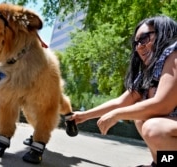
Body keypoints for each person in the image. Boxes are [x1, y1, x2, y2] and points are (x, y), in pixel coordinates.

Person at [69, 15, 177, 167]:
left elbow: (163, 105)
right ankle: (159, 163)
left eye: (145, 38)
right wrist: (83, 116)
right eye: (137, 42)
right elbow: (121, 102)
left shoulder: (174, 55)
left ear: (163, 33)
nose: (139, 46)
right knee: (140, 116)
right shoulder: (150, 71)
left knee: (154, 128)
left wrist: (117, 115)